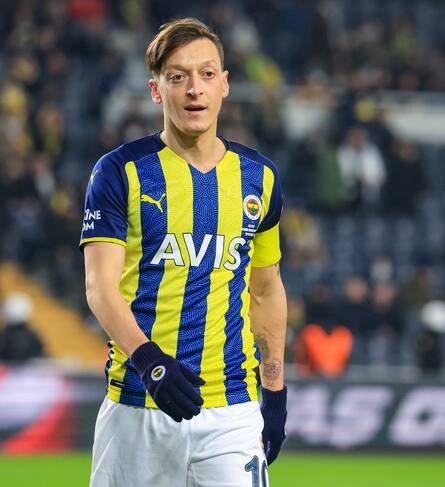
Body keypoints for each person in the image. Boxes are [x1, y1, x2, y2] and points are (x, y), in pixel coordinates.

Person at [80, 18, 287, 487]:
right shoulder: (119, 172)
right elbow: (99, 288)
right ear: (156, 90)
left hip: (231, 409)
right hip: (137, 405)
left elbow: (266, 289)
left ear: (225, 85)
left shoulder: (260, 177)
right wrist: (149, 361)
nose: (195, 89)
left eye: (207, 74)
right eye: (178, 77)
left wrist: (274, 392)